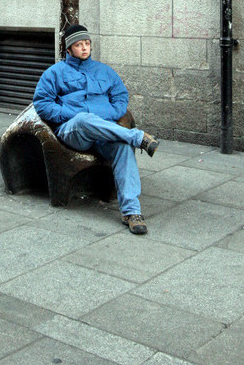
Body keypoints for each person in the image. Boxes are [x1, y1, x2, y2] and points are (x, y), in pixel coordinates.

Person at [33, 24, 159, 235]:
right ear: (69, 49)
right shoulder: (55, 73)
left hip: (104, 132)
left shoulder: (104, 71)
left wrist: (108, 114)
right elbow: (43, 104)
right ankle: (137, 137)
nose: (84, 48)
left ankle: (132, 212)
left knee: (122, 147)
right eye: (78, 45)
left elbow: (120, 97)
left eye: (87, 43)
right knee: (84, 119)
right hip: (74, 132)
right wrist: (69, 114)